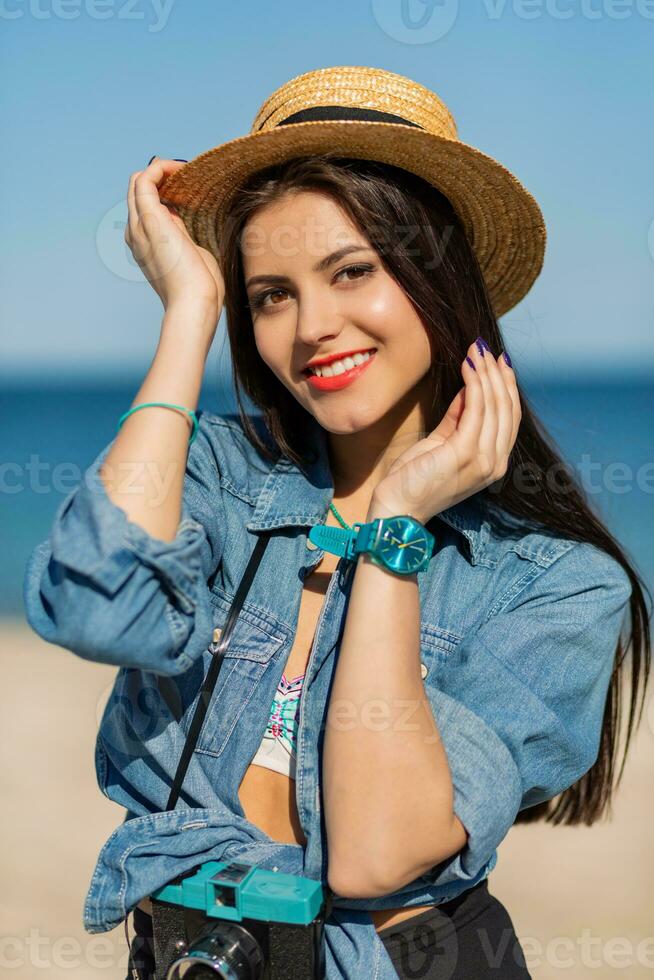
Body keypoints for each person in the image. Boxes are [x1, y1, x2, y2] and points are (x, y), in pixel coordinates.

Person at [23, 66, 651, 980]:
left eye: (352, 271)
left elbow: (374, 856)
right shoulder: (219, 476)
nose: (311, 325)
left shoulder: (555, 581)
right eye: (271, 293)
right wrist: (189, 317)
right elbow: (94, 608)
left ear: (438, 280)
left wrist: (396, 530)